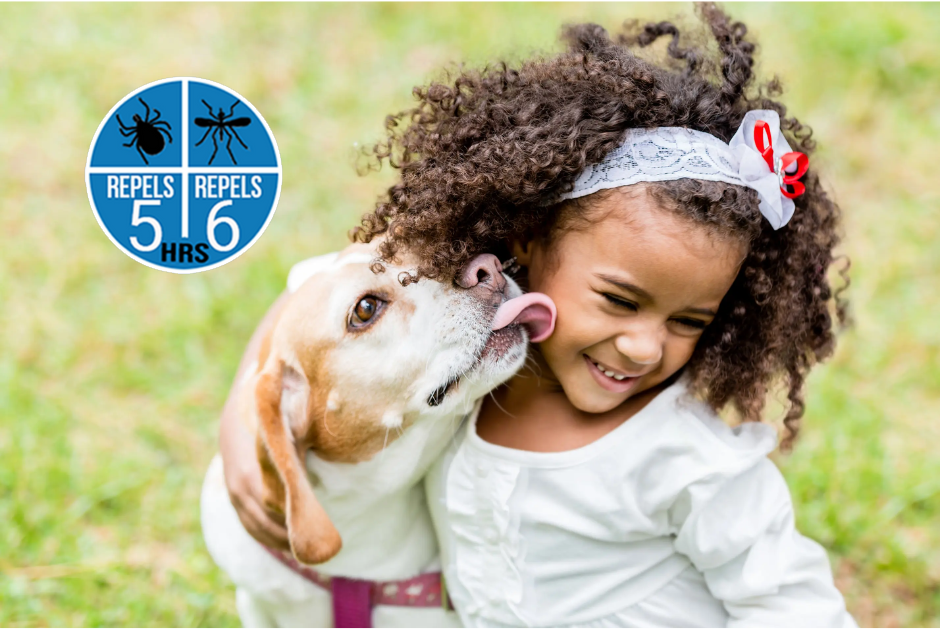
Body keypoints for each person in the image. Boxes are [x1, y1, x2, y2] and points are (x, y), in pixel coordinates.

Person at [221, 3, 855, 626]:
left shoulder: (688, 460)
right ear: (524, 238)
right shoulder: (473, 332)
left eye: (689, 321)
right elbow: (323, 288)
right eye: (619, 300)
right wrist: (250, 413)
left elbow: (797, 609)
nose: (642, 347)